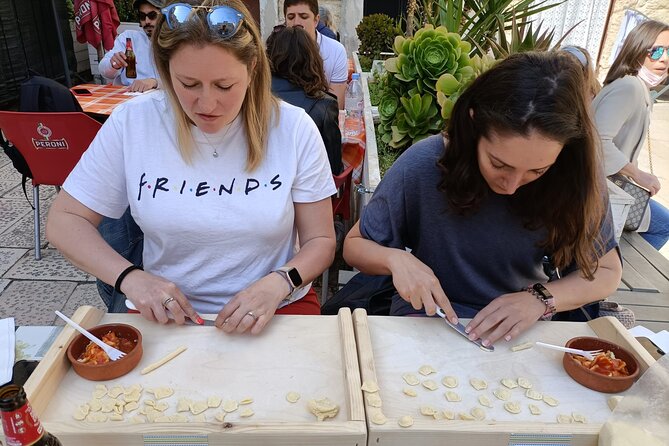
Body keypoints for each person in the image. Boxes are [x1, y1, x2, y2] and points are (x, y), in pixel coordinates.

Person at [46, 0, 336, 335]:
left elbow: (321, 239)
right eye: (188, 84)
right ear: (165, 71)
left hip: (278, 304)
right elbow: (65, 221)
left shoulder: (293, 127)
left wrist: (280, 282)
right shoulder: (134, 121)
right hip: (165, 312)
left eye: (224, 86)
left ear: (252, 67)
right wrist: (132, 278)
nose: (207, 104)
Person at [342, 51, 622, 347]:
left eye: (538, 171)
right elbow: (354, 245)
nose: (512, 186)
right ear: (474, 123)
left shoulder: (575, 178)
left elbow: (607, 272)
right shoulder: (425, 164)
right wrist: (395, 260)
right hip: (426, 320)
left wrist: (541, 299)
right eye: (499, 164)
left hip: (522, 330)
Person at [592, 19, 669, 251]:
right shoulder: (630, 88)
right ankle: (615, 271)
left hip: (606, 186)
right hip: (601, 190)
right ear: (638, 50)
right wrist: (638, 174)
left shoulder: (633, 87)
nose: (664, 59)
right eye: (656, 51)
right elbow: (597, 141)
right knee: (663, 224)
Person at [267, 25, 342, 175]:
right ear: (312, 57)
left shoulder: (251, 96)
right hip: (306, 193)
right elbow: (333, 170)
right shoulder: (324, 106)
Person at [284, 0, 348, 109]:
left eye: (303, 17)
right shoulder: (276, 51)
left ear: (316, 20)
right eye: (290, 17)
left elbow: (335, 107)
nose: (296, 23)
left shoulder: (336, 50)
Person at [98, 0, 162, 92]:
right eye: (142, 16)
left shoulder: (176, 41)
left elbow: (182, 80)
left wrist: (155, 82)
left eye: (152, 16)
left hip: (162, 99)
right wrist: (114, 65)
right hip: (130, 97)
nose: (147, 21)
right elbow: (103, 70)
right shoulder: (129, 38)